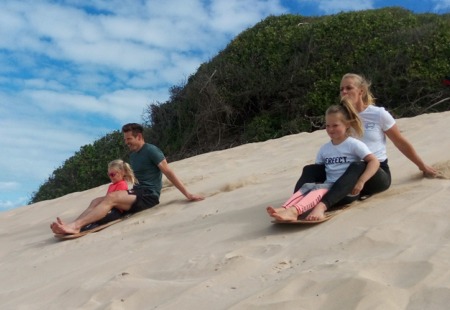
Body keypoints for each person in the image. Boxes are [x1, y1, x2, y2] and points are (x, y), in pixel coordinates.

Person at [290, 73, 437, 221]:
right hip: (343, 169)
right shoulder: (341, 116)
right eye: (342, 89)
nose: (344, 92)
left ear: (361, 91)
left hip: (375, 172)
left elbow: (400, 141)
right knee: (311, 169)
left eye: (349, 88)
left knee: (358, 165)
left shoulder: (378, 114)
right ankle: (293, 206)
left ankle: (322, 206)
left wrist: (422, 166)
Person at [50, 123, 204, 235]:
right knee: (96, 201)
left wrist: (188, 194)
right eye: (125, 139)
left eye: (129, 139)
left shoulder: (151, 150)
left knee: (111, 197)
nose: (126, 142)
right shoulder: (133, 155)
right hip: (137, 192)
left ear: (139, 136)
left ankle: (76, 226)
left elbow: (168, 172)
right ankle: (72, 225)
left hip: (149, 196)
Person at [267, 99, 380, 222]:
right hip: (328, 186)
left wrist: (361, 181)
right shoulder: (325, 149)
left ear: (347, 124)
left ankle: (296, 211)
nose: (331, 129)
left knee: (318, 189)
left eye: (335, 125)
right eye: (328, 126)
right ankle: (287, 207)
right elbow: (318, 171)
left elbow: (374, 161)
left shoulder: (353, 144)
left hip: (344, 191)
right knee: (308, 186)